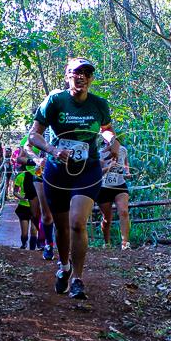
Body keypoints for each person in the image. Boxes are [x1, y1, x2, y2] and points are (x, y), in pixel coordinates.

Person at [28, 57, 119, 300]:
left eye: (86, 73)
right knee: (61, 227)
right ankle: (64, 267)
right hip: (58, 171)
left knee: (78, 222)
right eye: (76, 73)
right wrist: (53, 150)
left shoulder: (99, 104)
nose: (81, 77)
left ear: (91, 78)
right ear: (67, 75)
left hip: (87, 170)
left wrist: (111, 140)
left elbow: (107, 129)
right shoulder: (55, 101)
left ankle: (78, 279)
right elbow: (33, 136)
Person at [98, 142, 131, 249]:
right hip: (104, 187)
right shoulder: (101, 153)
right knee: (107, 218)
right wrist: (109, 167)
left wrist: (127, 172)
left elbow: (126, 164)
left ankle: (125, 243)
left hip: (120, 185)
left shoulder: (123, 150)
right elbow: (98, 173)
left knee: (124, 212)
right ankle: (107, 242)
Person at [12, 157, 38, 249]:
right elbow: (15, 192)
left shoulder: (39, 176)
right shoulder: (21, 176)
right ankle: (24, 245)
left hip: (36, 207)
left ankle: (32, 251)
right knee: (25, 233)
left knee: (34, 231)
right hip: (24, 207)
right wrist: (22, 198)